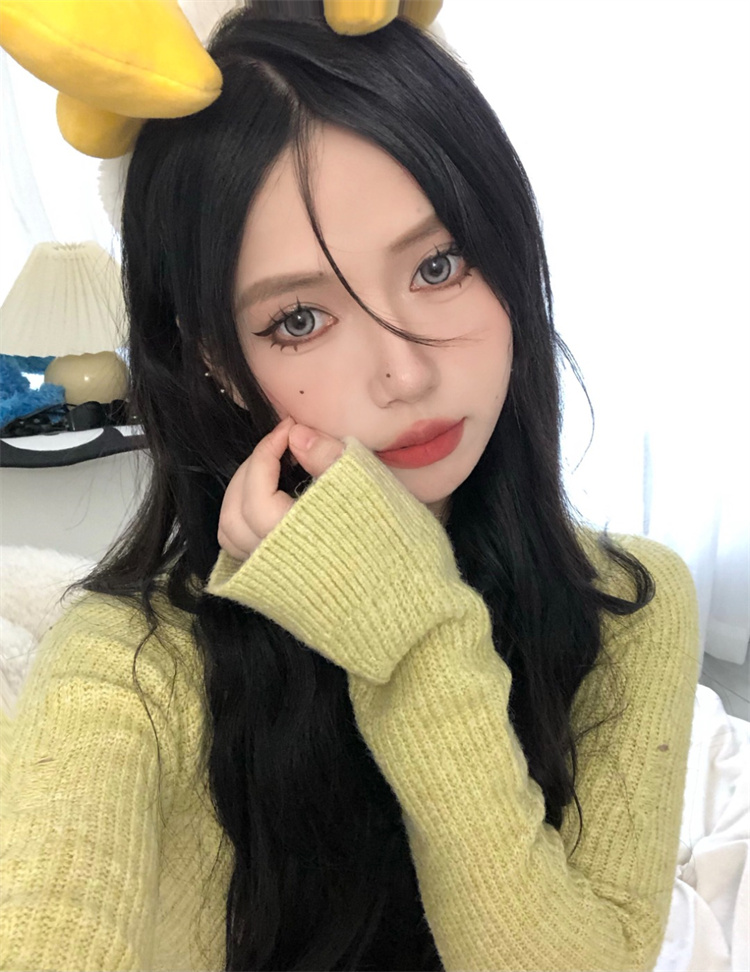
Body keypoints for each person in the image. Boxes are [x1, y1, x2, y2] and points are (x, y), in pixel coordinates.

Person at [0, 4, 700, 971]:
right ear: (218, 362)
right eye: (299, 320)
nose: (404, 372)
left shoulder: (630, 607)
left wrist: (413, 644)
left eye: (439, 265)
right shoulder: (132, 664)